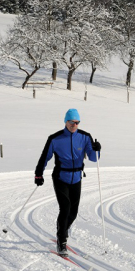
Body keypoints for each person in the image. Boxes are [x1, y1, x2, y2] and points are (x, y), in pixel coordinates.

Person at [35, 109, 101, 256]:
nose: (74, 125)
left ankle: (62, 229)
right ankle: (62, 240)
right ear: (66, 122)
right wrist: (38, 174)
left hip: (76, 178)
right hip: (60, 177)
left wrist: (97, 149)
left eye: (77, 122)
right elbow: (45, 157)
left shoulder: (85, 137)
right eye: (72, 122)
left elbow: (93, 158)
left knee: (73, 212)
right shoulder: (55, 138)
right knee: (65, 208)